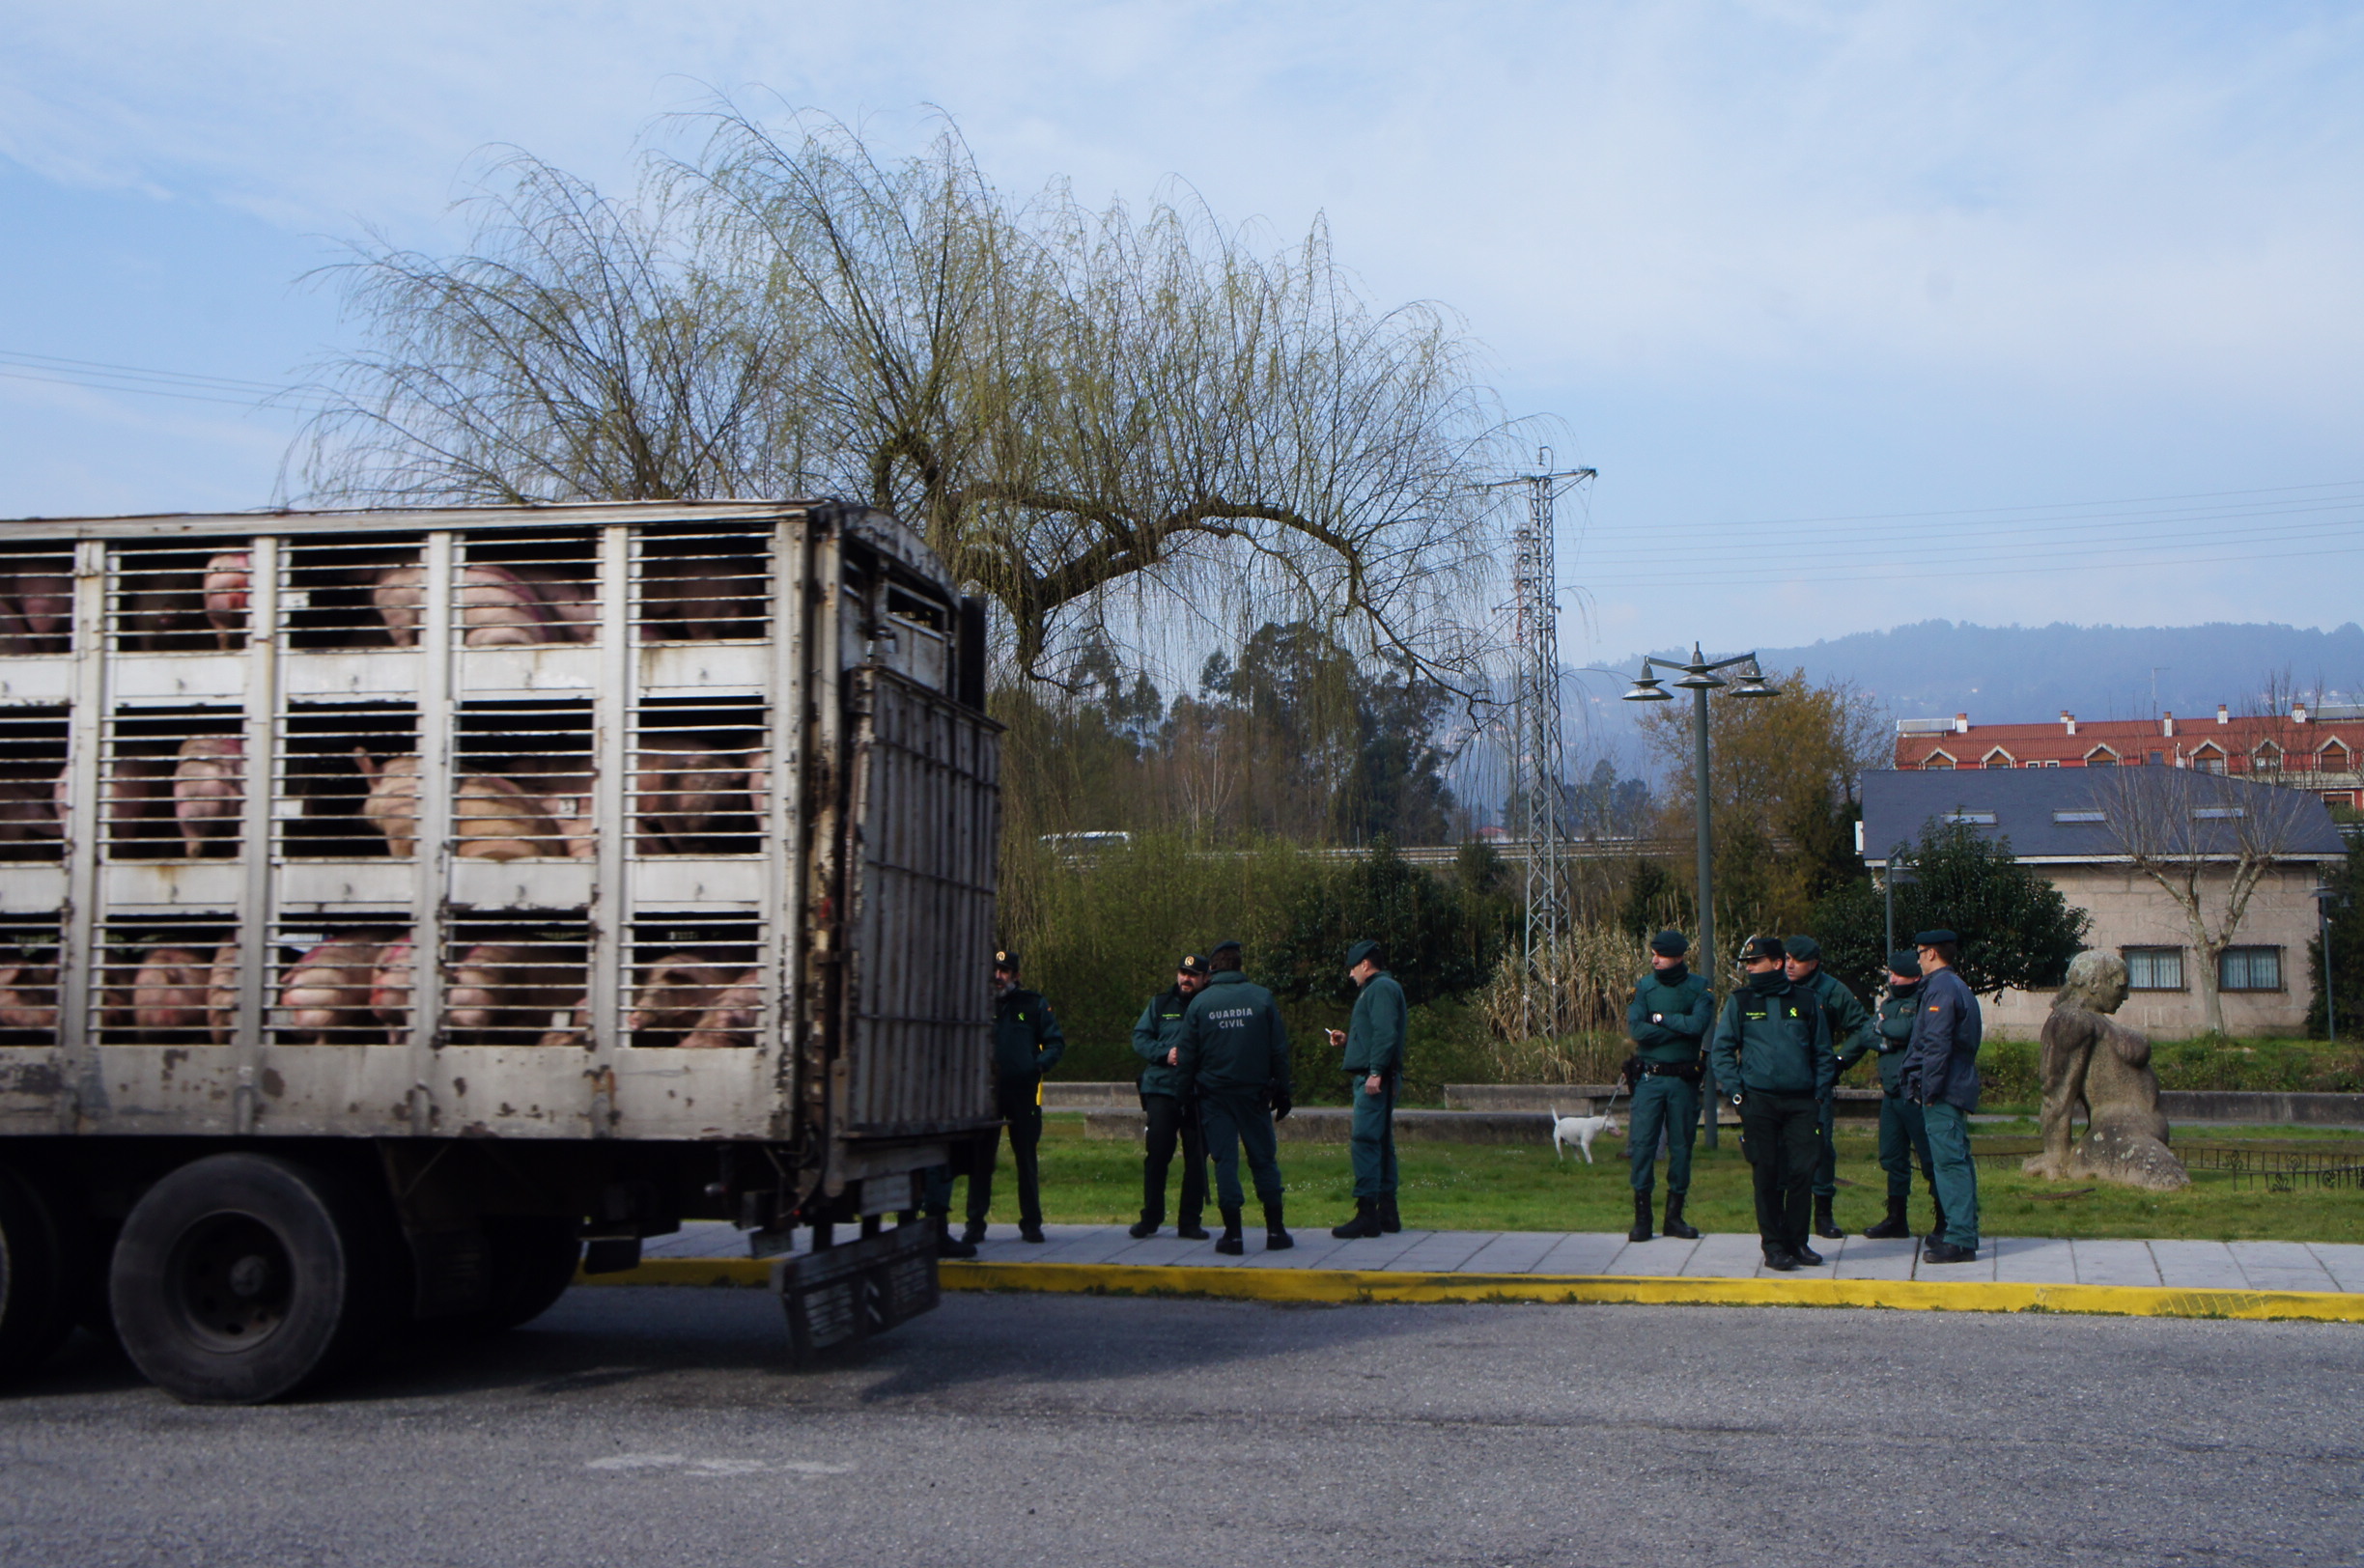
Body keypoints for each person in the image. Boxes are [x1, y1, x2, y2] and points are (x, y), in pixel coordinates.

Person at [1709, 934, 1835, 1272]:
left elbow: (1823, 1052)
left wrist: (1819, 1094)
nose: (1750, 968)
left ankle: (1797, 1241)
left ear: (1777, 963)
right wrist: (1737, 1093)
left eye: (1756, 962)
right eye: (1747, 963)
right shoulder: (1741, 1001)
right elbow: (1722, 1050)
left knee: (1802, 1172)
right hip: (1759, 1101)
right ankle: (1774, 1246)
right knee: (1766, 1173)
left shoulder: (1806, 1000)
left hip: (1801, 1102)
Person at [1178, 938, 1294, 1254]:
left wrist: (1183, 1096)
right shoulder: (1261, 998)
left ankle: (1233, 1235)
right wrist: (1283, 1090)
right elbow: (1278, 1050)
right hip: (1255, 1094)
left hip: (1214, 1096)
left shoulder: (1201, 1004)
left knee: (1225, 1162)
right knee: (1264, 1159)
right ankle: (1276, 1230)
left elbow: (1187, 1056)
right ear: (1240, 966)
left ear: (1213, 968)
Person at [962, 948, 1065, 1246]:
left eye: (1004, 971)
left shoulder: (1032, 1004)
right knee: (981, 1161)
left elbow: (1055, 1042)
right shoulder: (978, 1004)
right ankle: (975, 1224)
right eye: (995, 970)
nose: (998, 976)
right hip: (987, 1094)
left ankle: (1031, 1224)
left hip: (1022, 1092)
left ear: (1016, 976)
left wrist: (1038, 1066)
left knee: (1026, 1159)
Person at [1620, 929, 1715, 1244]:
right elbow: (1637, 1030)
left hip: (1683, 1080)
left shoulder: (1699, 988)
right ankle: (1642, 1219)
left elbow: (1698, 1026)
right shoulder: (1643, 988)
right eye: (1653, 954)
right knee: (1643, 1145)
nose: (1655, 960)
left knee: (1682, 1147)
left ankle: (1674, 1217)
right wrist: (1677, 1026)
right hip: (1650, 1079)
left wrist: (1659, 1019)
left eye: (1660, 955)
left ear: (1678, 956)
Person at [1784, 935, 1875, 1240]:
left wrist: (1840, 1060)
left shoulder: (1832, 990)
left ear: (1813, 963)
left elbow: (1863, 1027)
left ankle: (1823, 1213)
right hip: (1780, 1078)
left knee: (1820, 1145)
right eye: (1787, 959)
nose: (1790, 965)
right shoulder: (1777, 986)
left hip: (1816, 1080)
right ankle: (1783, 1214)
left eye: (1797, 960)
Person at [1901, 928, 1983, 1264]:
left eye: (1920, 953)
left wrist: (1929, 1089)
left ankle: (1960, 1238)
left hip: (1944, 1090)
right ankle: (1963, 1232)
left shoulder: (1941, 989)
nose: (1918, 959)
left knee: (1949, 1164)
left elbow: (1936, 1045)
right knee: (1958, 1160)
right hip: (1954, 1085)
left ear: (1931, 953)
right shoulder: (1953, 985)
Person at [1854, 950, 1940, 1240]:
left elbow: (1907, 1030)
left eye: (1897, 975)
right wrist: (1887, 1038)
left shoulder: (1921, 1001)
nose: (1892, 980)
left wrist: (1882, 1028)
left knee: (1929, 1158)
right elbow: (1865, 1033)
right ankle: (1896, 1218)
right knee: (1892, 1156)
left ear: (1914, 977)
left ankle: (1943, 1218)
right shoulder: (1889, 1003)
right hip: (1891, 1092)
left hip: (1914, 1092)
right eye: (1891, 974)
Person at [1128, 952, 1213, 1240]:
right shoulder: (1160, 1003)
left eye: (1192, 975)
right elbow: (1140, 1038)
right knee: (1157, 1156)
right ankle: (1150, 1218)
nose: (1186, 979)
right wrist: (1165, 1054)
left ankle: (1189, 1221)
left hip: (1198, 1093)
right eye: (1182, 973)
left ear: (1205, 978)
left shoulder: (1210, 1006)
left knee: (1197, 1159)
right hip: (1162, 1089)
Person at [1327, 938, 1406, 1240]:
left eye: (1353, 967)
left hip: (1373, 1080)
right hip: (1378, 1074)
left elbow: (1386, 1033)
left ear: (1365, 964)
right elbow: (1376, 1034)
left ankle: (1366, 1213)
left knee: (1365, 1140)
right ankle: (1387, 1212)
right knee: (1381, 1142)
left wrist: (1375, 1072)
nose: (1351, 974)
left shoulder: (1380, 988)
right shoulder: (1379, 989)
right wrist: (1350, 1041)